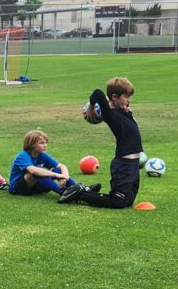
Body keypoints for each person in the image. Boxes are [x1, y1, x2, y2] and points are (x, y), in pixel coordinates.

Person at [58, 78, 139, 208]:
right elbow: (97, 93)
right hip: (123, 165)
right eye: (126, 97)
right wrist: (92, 107)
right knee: (118, 202)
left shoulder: (125, 111)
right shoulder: (110, 114)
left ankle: (86, 191)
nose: (129, 100)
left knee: (127, 201)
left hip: (133, 164)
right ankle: (78, 194)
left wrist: (123, 103)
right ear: (114, 97)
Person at [7, 130, 84, 198]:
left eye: (46, 143)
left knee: (57, 169)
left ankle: (80, 187)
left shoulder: (42, 155)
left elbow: (61, 166)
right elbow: (33, 171)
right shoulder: (22, 156)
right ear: (32, 144)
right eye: (42, 143)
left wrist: (65, 176)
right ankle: (63, 192)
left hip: (36, 187)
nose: (45, 145)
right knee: (37, 172)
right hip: (20, 189)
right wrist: (58, 175)